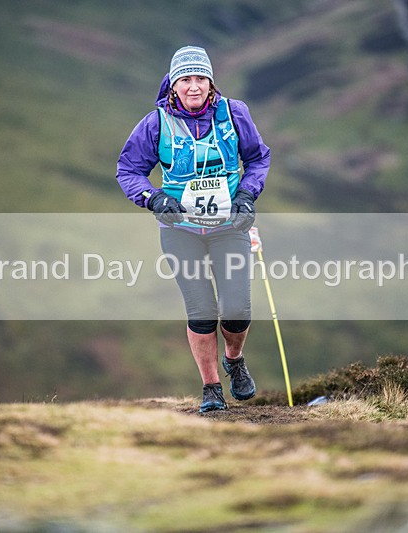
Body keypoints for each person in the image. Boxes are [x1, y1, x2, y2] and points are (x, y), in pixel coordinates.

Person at [116, 45, 271, 413]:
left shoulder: (234, 114)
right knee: (201, 311)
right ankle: (211, 389)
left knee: (236, 309)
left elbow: (257, 158)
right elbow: (129, 170)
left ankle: (234, 360)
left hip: (229, 225)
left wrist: (247, 195)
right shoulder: (155, 123)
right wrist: (153, 199)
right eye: (186, 79)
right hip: (180, 229)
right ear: (173, 84)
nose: (194, 86)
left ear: (211, 82)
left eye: (201, 78)